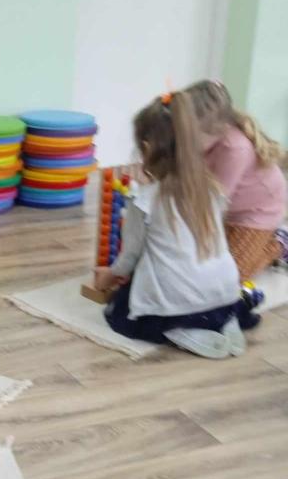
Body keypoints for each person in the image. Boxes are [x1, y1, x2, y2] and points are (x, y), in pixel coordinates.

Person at [95, 91, 244, 358]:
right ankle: (225, 321)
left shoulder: (144, 199)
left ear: (147, 148)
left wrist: (110, 274)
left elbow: (131, 255)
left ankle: (180, 331)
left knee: (121, 311)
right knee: (203, 294)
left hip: (177, 300)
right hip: (225, 291)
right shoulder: (212, 189)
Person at [185, 79, 287, 280]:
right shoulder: (206, 137)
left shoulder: (234, 148)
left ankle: (279, 244)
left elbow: (214, 202)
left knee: (231, 275)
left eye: (192, 133)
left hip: (258, 211)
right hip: (232, 208)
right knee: (205, 261)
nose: (186, 139)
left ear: (217, 128)